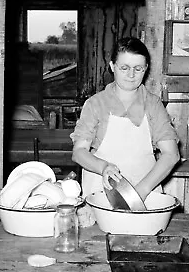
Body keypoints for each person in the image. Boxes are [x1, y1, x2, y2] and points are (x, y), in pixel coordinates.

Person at [70, 37, 180, 202]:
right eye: (124, 68)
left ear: (146, 69)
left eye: (138, 68)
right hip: (100, 194)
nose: (131, 75)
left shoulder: (153, 104)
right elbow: (79, 152)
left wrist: (138, 194)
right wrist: (103, 167)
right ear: (112, 66)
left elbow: (171, 154)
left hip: (146, 193)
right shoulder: (95, 104)